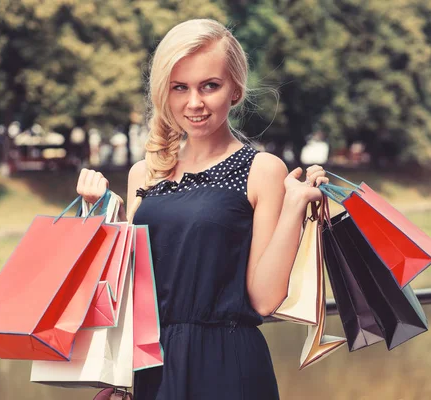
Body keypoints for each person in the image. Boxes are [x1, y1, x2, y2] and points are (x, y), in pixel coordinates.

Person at [76, 19, 328, 400]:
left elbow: (264, 299)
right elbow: (131, 293)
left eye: (209, 86)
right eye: (180, 87)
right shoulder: (144, 173)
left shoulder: (262, 170)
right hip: (151, 370)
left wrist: (294, 207)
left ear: (235, 91)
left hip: (227, 367)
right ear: (165, 92)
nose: (194, 102)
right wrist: (95, 214)